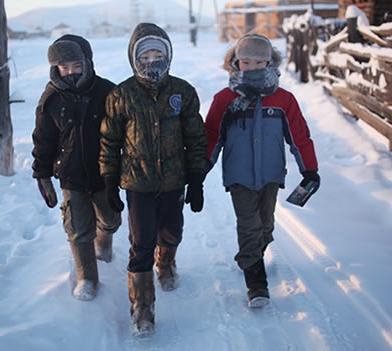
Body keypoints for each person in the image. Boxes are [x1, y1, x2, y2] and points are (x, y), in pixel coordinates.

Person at [99, 22, 208, 336]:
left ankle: (167, 261)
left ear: (168, 55)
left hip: (174, 180)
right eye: (144, 55)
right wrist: (109, 179)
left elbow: (196, 138)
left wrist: (197, 179)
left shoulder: (183, 92)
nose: (151, 60)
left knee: (171, 232)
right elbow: (110, 141)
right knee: (141, 243)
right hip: (137, 183)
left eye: (158, 53)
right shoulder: (121, 95)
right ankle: (142, 308)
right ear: (134, 58)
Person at [204, 33, 320, 308]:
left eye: (258, 62)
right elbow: (211, 136)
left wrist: (310, 170)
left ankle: (252, 254)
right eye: (246, 62)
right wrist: (199, 171)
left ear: (268, 63)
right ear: (235, 63)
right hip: (239, 176)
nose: (252, 67)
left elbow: (300, 136)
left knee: (265, 226)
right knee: (250, 225)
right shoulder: (225, 99)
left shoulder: (283, 100)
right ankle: (256, 283)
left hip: (270, 175)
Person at [31, 34, 121, 301]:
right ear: (55, 68)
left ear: (87, 62)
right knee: (78, 228)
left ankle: (104, 243)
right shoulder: (51, 98)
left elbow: (124, 133)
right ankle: (87, 278)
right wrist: (42, 174)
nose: (70, 72)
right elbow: (43, 139)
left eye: (76, 65)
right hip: (71, 175)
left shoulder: (107, 92)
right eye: (63, 67)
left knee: (110, 219)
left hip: (104, 174)